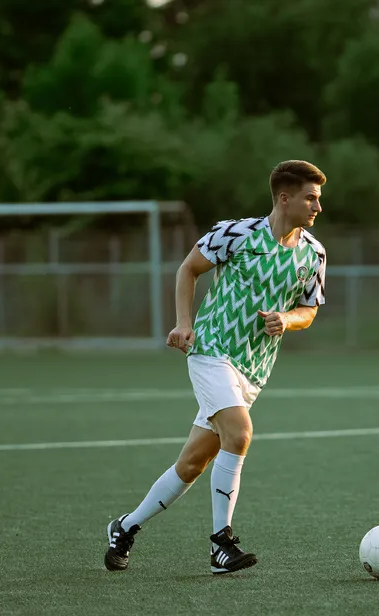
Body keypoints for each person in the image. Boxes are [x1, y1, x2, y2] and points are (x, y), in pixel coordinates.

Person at [104, 160, 328, 574]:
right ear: (284, 198)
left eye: (318, 198)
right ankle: (220, 545)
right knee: (240, 434)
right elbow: (188, 269)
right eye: (310, 198)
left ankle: (125, 527)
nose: (318, 207)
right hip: (211, 351)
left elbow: (308, 310)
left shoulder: (314, 253)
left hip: (253, 370)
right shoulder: (236, 233)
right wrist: (184, 323)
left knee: (192, 463)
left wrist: (288, 319)